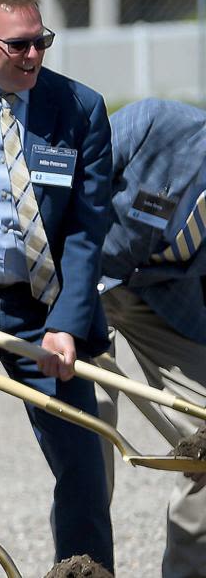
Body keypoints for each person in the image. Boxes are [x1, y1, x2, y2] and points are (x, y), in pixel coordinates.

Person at [0, 0, 114, 576]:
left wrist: (67, 323)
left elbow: (89, 229)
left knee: (82, 464)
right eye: (19, 46)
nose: (34, 56)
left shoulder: (78, 107)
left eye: (41, 42)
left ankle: (84, 570)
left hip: (46, 311)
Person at [97, 98, 206, 578]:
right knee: (89, 427)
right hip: (76, 282)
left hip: (161, 299)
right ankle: (85, 563)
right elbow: (67, 183)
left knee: (204, 435)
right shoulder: (157, 123)